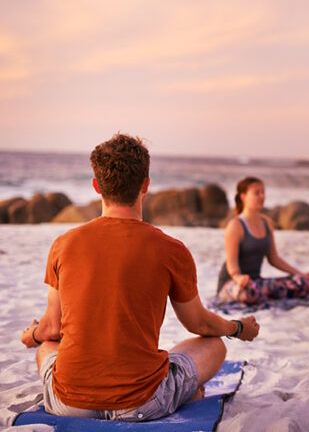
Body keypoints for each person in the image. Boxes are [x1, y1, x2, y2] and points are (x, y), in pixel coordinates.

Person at [18, 134, 260, 422]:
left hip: (70, 403)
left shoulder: (64, 244)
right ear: (145, 184)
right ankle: (182, 393)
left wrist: (31, 335)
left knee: (47, 348)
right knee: (214, 345)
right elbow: (199, 324)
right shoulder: (171, 249)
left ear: (96, 186)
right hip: (142, 404)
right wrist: (237, 327)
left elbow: (51, 328)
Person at [216, 177, 309, 304]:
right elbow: (231, 264)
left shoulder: (266, 223)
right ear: (243, 196)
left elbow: (274, 258)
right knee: (250, 292)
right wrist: (238, 277)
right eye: (256, 193)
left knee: (304, 284)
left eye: (263, 192)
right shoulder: (236, 225)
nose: (262, 196)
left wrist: (301, 275)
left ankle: (266, 293)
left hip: (257, 282)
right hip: (233, 283)